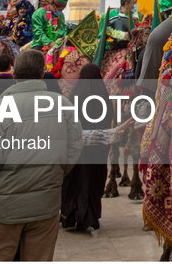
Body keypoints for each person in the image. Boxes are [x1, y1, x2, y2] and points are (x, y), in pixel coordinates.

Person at [0, 49, 82, 261]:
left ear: (14, 74)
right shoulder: (63, 106)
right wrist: (53, 173)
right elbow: (72, 153)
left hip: (3, 209)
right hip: (46, 205)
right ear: (43, 73)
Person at [60, 62, 114, 233]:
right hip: (97, 148)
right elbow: (109, 118)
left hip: (78, 148)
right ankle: (90, 216)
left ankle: (73, 214)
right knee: (94, 180)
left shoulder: (75, 96)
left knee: (76, 179)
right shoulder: (103, 96)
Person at [95, 0, 139, 66]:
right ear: (127, 4)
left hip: (130, 52)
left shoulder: (135, 18)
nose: (135, 6)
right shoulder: (109, 15)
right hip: (111, 51)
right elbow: (102, 37)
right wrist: (120, 36)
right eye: (134, 3)